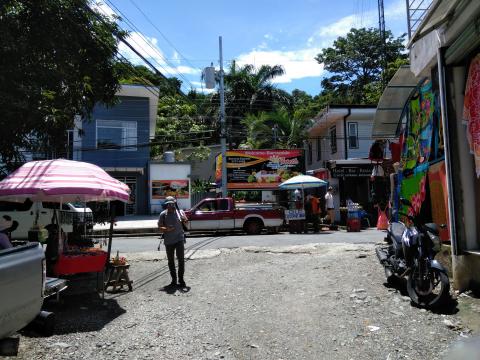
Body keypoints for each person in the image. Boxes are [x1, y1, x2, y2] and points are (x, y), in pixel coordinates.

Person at [158, 196, 188, 290]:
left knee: (181, 260)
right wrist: (167, 229)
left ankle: (181, 280)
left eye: (172, 204)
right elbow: (160, 227)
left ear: (174, 204)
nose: (170, 206)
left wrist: (185, 220)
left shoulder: (180, 212)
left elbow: (186, 223)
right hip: (169, 241)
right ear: (166, 205)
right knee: (171, 262)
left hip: (179, 239)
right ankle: (174, 280)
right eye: (168, 204)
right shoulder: (163, 214)